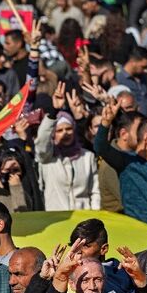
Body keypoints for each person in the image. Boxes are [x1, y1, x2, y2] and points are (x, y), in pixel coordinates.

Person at [35, 82, 100, 211]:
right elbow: (41, 141)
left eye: (69, 129)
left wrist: (95, 216)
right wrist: (54, 112)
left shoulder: (87, 156)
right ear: (53, 134)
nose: (65, 133)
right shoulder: (48, 158)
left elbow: (95, 191)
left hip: (84, 221)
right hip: (57, 220)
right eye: (59, 130)